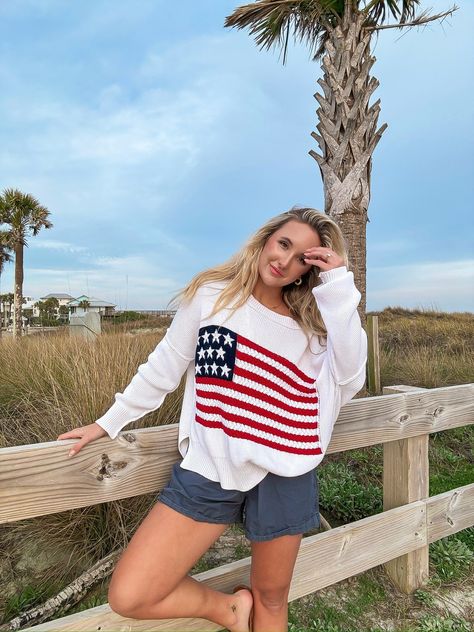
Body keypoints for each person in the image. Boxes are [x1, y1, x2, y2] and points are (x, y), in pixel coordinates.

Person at [57, 206, 367, 632]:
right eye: (283, 244)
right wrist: (108, 422)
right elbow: (164, 365)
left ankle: (247, 612)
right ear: (266, 239)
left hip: (286, 468)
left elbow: (350, 376)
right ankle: (229, 611)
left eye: (301, 259)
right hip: (212, 464)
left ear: (307, 271)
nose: (284, 260)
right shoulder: (213, 297)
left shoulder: (312, 327)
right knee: (130, 593)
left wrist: (337, 283)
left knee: (272, 598)